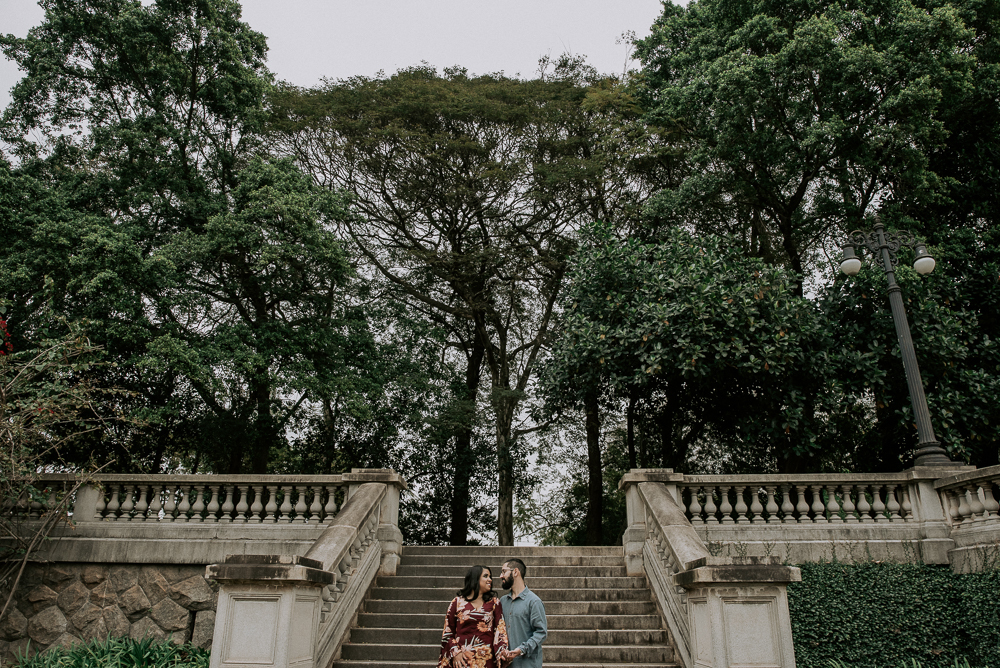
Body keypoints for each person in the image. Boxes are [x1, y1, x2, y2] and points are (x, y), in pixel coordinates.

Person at [439, 565, 509, 668]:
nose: (490, 579)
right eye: (485, 576)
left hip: (486, 661)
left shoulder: (494, 603)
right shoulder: (457, 602)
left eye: (490, 577)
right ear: (475, 578)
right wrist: (456, 653)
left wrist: (502, 652)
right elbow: (448, 632)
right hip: (462, 661)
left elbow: (500, 631)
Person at [498, 558, 547, 668]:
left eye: (504, 571)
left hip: (527, 664)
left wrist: (521, 650)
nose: (501, 576)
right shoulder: (503, 601)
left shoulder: (534, 602)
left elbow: (541, 633)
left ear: (515, 572)